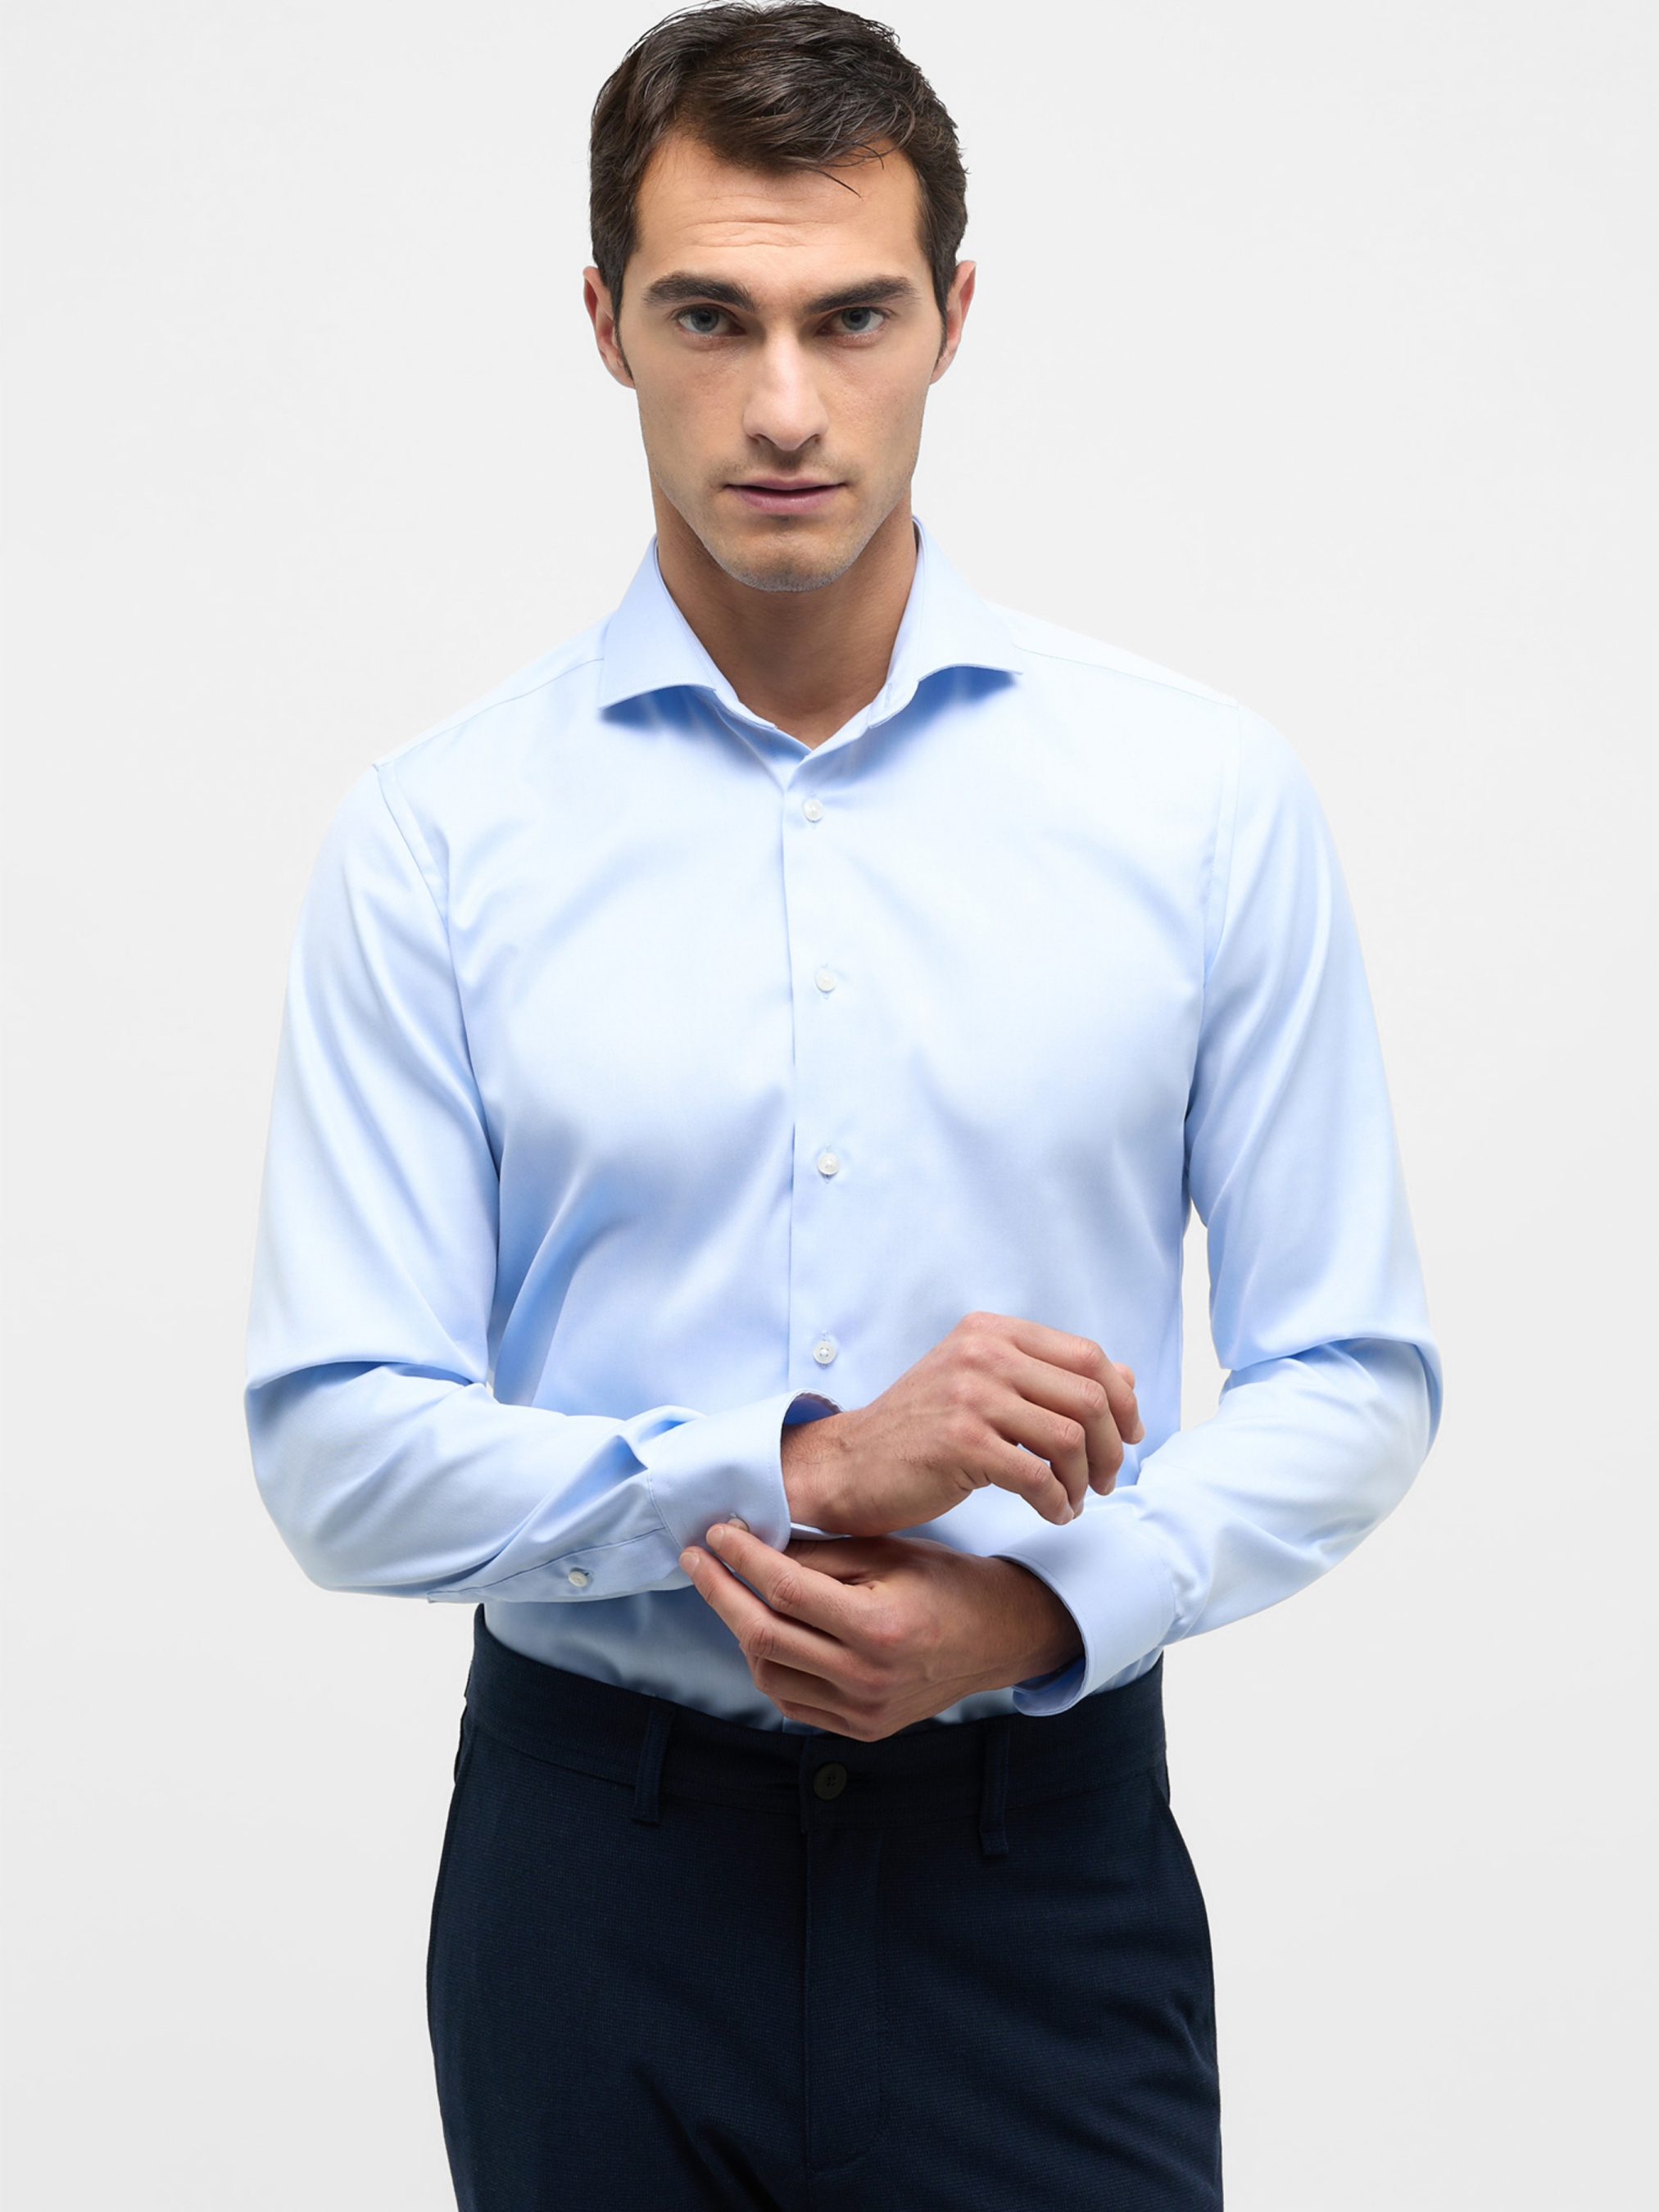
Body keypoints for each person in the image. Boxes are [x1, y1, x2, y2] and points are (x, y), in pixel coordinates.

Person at [246, 6, 1440, 2206]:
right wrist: (787, 1467)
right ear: (604, 322)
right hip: (595, 1889)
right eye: (711, 316)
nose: (784, 405)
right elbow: (337, 1454)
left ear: (952, 318)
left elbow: (1354, 1372)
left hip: (1036, 1878)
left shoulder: (1194, 804)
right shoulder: (436, 841)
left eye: (852, 317)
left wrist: (1049, 1609)